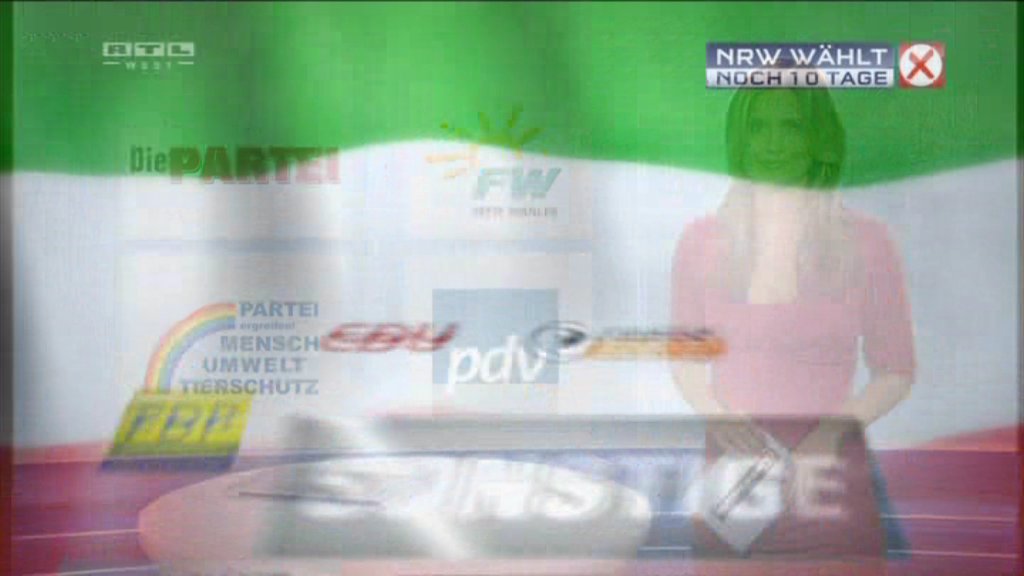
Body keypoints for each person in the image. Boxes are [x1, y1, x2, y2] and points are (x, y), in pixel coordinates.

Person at [670, 85, 915, 560]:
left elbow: (896, 370)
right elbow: (685, 361)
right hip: (734, 488)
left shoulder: (868, 242)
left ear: (818, 139)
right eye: (758, 127)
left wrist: (830, 434)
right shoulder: (700, 241)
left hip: (829, 485)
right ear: (739, 139)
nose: (773, 143)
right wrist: (718, 415)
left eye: (792, 127)